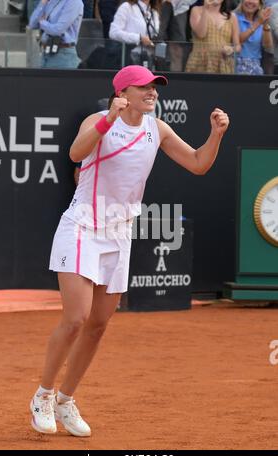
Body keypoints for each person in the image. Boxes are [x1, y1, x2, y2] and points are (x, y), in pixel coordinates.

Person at [30, 64, 229, 436]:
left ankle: (65, 400)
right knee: (76, 318)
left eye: (155, 88)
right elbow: (76, 153)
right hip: (82, 227)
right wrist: (108, 119)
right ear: (123, 92)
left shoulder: (158, 128)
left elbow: (199, 163)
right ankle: (42, 395)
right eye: (144, 88)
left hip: (120, 235)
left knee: (98, 325)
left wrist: (216, 135)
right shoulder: (99, 119)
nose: (153, 93)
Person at [185, 0, 241, 74]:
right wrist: (205, 9)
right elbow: (201, 34)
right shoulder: (196, 10)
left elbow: (238, 46)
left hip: (223, 63)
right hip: (200, 62)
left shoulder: (231, 16)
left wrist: (231, 49)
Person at [28, 0, 84, 69]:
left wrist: (42, 22)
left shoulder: (74, 2)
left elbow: (58, 30)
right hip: (46, 52)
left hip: (63, 55)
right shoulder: (50, 1)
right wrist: (42, 3)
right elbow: (32, 24)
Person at [109, 0, 161, 67]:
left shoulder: (154, 12)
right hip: (129, 57)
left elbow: (155, 33)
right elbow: (113, 32)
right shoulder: (127, 7)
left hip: (149, 58)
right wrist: (138, 38)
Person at [235, 0, 273, 75]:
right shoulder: (234, 17)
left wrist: (265, 24)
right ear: (242, 2)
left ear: (260, 4)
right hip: (236, 64)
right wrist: (258, 23)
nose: (250, 1)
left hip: (255, 67)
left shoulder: (260, 20)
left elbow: (268, 46)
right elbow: (238, 40)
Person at [157, 0, 197, 71]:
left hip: (180, 8)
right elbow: (161, 33)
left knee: (178, 50)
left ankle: (176, 77)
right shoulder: (166, 5)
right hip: (159, 5)